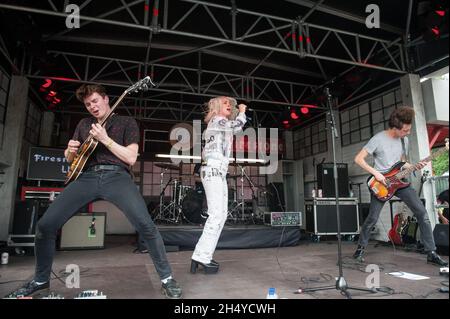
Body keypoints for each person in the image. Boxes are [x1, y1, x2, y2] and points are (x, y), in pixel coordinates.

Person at [6, 84, 182, 298]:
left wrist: (106, 139)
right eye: (88, 104)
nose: (92, 106)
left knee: (146, 225)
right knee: (45, 225)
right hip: (86, 177)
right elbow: (73, 160)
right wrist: (69, 151)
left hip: (117, 176)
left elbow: (131, 158)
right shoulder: (84, 124)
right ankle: (41, 280)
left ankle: (167, 279)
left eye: (95, 101)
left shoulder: (127, 122)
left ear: (106, 99)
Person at [353, 106, 448, 266]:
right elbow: (358, 159)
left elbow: (401, 161)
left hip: (400, 183)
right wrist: (376, 173)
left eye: (409, 129)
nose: (408, 132)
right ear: (395, 127)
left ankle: (431, 252)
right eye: (405, 130)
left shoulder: (404, 140)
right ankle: (360, 248)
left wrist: (411, 166)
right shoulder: (378, 139)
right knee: (372, 218)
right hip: (382, 183)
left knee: (422, 213)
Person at [190, 96, 247, 274]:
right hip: (213, 170)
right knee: (216, 215)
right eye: (225, 103)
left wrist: (238, 111)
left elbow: (234, 124)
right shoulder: (217, 120)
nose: (229, 105)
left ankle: (202, 254)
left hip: (218, 171)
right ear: (216, 107)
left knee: (220, 215)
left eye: (230, 104)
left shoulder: (221, 124)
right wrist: (243, 113)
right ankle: (201, 256)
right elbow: (237, 126)